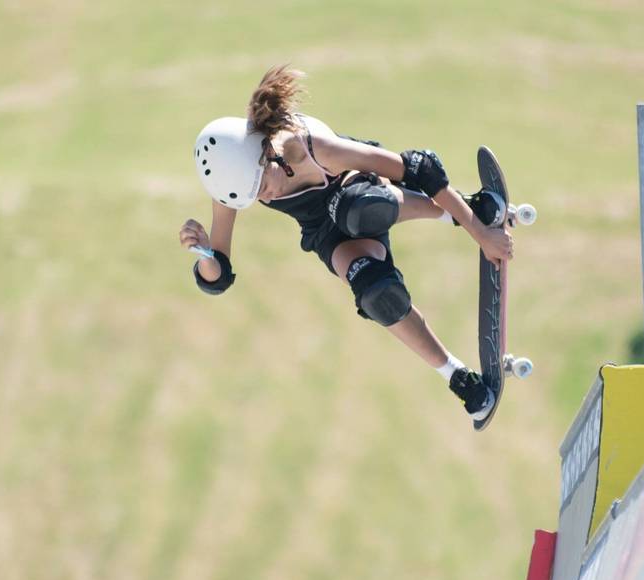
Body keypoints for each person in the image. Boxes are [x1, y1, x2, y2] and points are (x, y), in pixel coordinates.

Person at [178, 65, 516, 421]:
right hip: (324, 233)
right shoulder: (232, 184)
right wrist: (203, 254)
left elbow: (419, 168)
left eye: (264, 183)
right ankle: (457, 376)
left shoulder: (310, 147)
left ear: (267, 152)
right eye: (256, 195)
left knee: (360, 210)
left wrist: (482, 233)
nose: (267, 194)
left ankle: (462, 211)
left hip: (361, 190)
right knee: (377, 295)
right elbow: (219, 275)